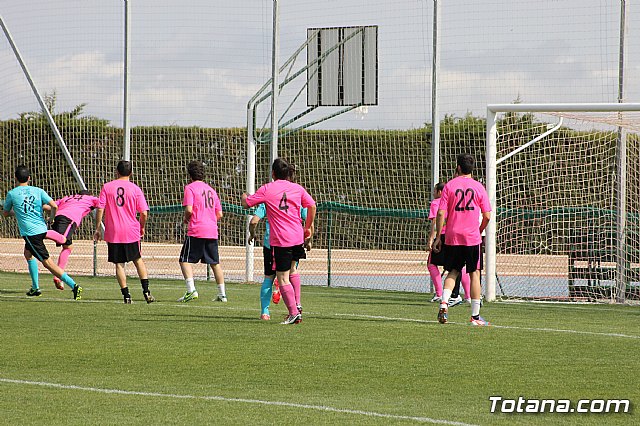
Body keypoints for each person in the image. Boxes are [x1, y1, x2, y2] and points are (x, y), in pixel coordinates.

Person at [242, 158, 316, 325]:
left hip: (281, 240)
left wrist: (244, 197)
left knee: (282, 278)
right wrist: (308, 228)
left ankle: (293, 313)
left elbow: (247, 205)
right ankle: (297, 305)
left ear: (273, 173)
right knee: (293, 272)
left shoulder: (268, 188)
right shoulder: (297, 188)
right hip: (297, 237)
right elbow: (312, 206)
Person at [2, 165, 82, 299]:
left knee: (48, 263)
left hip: (31, 233)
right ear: (29, 178)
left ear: (15, 178)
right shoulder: (38, 191)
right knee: (28, 254)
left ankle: (74, 286)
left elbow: (5, 213)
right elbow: (54, 206)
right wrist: (51, 219)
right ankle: (35, 288)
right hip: (42, 228)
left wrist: (17, 212)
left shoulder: (12, 193)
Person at [432, 153, 491, 326]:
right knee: (475, 273)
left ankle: (444, 303)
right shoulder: (479, 187)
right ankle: (475, 317)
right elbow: (487, 215)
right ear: (472, 169)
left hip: (452, 236)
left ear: (458, 167)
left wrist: (438, 237)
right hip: (472, 237)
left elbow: (441, 212)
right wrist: (478, 231)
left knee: (453, 271)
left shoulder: (449, 185)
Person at [93, 160, 155, 304]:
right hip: (131, 231)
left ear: (117, 172)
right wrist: (142, 226)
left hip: (114, 232)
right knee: (138, 260)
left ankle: (126, 296)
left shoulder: (107, 187)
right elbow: (144, 213)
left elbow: (100, 208)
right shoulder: (135, 189)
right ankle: (146, 292)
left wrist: (97, 228)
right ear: (131, 173)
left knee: (119, 264)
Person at [177, 160, 227, 303]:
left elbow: (189, 209)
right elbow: (220, 214)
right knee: (214, 263)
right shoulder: (211, 190)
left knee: (184, 260)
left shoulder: (190, 188)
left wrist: (187, 219)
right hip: (211, 230)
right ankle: (222, 294)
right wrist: (209, 221)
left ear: (189, 174)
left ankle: (191, 290)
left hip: (197, 229)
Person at [249, 202, 308, 321]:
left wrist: (252, 234)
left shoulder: (269, 198)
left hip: (274, 241)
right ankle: (297, 305)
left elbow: (254, 220)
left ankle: (265, 312)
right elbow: (308, 217)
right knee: (292, 271)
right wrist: (308, 238)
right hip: (295, 239)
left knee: (269, 277)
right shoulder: (296, 197)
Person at [46, 190, 100, 290]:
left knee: (68, 247)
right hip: (69, 219)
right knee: (63, 239)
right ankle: (42, 233)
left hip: (59, 217)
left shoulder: (67, 197)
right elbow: (103, 204)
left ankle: (58, 275)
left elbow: (50, 206)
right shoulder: (91, 199)